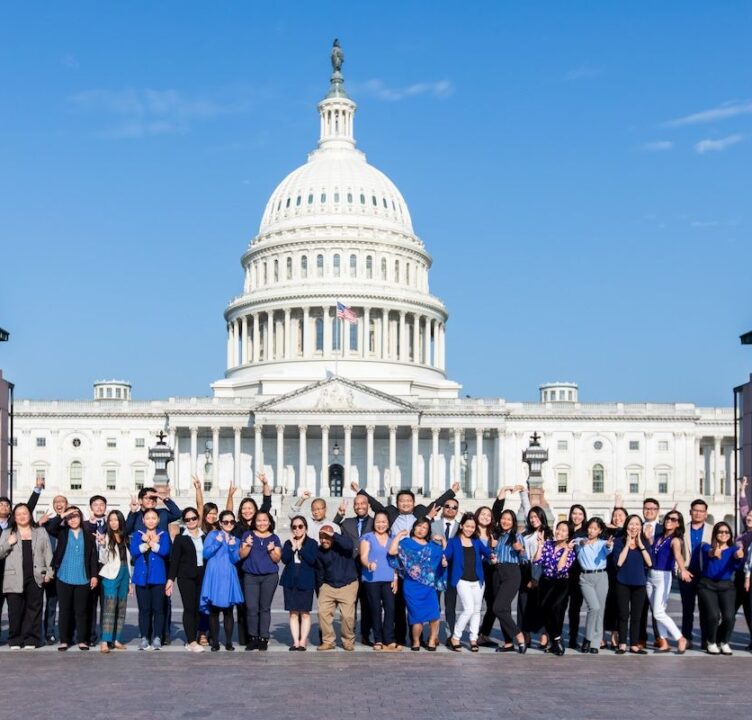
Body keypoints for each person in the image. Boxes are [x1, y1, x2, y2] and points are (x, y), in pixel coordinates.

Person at [355, 479, 459, 645]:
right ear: (397, 503)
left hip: (418, 569)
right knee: (397, 605)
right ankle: (399, 636)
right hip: (398, 566)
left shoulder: (419, 515)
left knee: (416, 606)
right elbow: (376, 506)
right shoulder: (391, 515)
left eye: (408, 501)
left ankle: (415, 639)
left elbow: (436, 504)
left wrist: (451, 492)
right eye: (402, 501)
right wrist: (361, 491)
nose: (405, 503)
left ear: (414, 503)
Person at [388, 518, 447, 651]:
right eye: (419, 526)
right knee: (416, 616)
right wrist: (398, 536)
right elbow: (392, 552)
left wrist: (443, 540)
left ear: (428, 531)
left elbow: (445, 555)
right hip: (411, 586)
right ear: (414, 527)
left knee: (434, 614)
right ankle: (415, 641)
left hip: (428, 586)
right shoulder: (406, 543)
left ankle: (432, 639)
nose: (421, 529)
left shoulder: (432, 546)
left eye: (425, 527)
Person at [0, 503, 53, 649]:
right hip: (13, 576)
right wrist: (8, 544)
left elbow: (48, 553)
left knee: (34, 609)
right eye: (18, 514)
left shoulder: (40, 532)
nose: (22, 516)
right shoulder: (7, 533)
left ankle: (32, 639)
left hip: (36, 575)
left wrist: (49, 572)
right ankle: (15, 639)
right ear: (14, 517)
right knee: (15, 610)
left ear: (30, 515)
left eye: (25, 513)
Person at [46, 506, 99, 651]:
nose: (73, 519)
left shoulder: (88, 534)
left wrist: (94, 575)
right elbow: (50, 527)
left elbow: (93, 556)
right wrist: (62, 515)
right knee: (65, 610)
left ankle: (82, 640)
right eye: (70, 517)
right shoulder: (62, 532)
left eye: (75, 516)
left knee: (81, 611)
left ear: (81, 518)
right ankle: (64, 640)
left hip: (83, 577)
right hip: (64, 576)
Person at [230, 474, 272, 647]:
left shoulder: (258, 525)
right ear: (240, 512)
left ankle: (259, 635)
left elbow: (267, 504)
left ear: (255, 511)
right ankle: (245, 636)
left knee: (258, 605)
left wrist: (265, 484)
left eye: (250, 508)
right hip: (241, 569)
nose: (247, 511)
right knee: (243, 605)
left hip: (257, 569)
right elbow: (227, 516)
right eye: (244, 509)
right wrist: (230, 496)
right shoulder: (238, 527)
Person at [646, 510, 691, 654]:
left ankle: (680, 638)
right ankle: (664, 642)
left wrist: (683, 569)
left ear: (678, 524)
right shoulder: (659, 536)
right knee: (657, 611)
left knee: (659, 612)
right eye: (667, 518)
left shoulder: (676, 540)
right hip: (650, 575)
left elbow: (678, 555)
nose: (668, 521)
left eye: (673, 519)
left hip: (663, 576)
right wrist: (647, 538)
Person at [200, 510, 244, 651]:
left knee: (228, 611)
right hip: (214, 575)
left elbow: (236, 559)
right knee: (213, 611)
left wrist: (232, 546)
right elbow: (206, 554)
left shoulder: (236, 540)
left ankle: (229, 642)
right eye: (225, 522)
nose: (229, 524)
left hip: (228, 575)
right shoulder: (212, 535)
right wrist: (217, 543)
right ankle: (215, 642)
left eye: (232, 522)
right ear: (220, 523)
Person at [335, 493, 374, 645]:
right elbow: (332, 529)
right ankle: (349, 633)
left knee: (368, 602)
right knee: (350, 603)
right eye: (356, 504)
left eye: (362, 503)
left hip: (369, 567)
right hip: (350, 567)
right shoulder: (347, 522)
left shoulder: (375, 522)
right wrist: (339, 515)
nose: (359, 506)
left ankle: (366, 634)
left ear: (368, 505)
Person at [700, 521, 745, 655]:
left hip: (726, 586)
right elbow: (709, 553)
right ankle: (711, 642)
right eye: (720, 532)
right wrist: (715, 552)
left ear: (730, 535)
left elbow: (737, 559)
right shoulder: (706, 546)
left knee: (729, 617)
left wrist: (738, 556)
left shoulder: (733, 549)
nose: (724, 534)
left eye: (726, 532)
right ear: (715, 534)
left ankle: (724, 642)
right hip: (707, 585)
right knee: (714, 616)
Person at [239, 511, 281, 651]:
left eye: (265, 520)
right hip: (251, 576)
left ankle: (264, 637)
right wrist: (248, 545)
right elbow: (241, 555)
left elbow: (277, 559)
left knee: (265, 607)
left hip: (269, 576)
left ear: (269, 522)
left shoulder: (274, 538)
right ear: (254, 522)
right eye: (259, 520)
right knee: (251, 607)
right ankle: (253, 637)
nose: (262, 523)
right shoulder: (247, 535)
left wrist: (271, 551)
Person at [130, 508, 171, 650]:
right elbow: (134, 551)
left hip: (158, 578)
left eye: (154, 518)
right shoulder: (138, 534)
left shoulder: (163, 534)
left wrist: (154, 544)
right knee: (144, 609)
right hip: (142, 578)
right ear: (143, 520)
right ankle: (145, 636)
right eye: (148, 518)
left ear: (158, 520)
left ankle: (158, 636)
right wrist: (146, 543)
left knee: (158, 609)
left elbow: (165, 551)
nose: (151, 520)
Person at [166, 507, 205, 652]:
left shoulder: (205, 536)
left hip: (202, 575)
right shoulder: (180, 538)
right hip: (186, 577)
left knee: (198, 608)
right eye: (187, 519)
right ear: (184, 521)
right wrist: (170, 580)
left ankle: (194, 636)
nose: (191, 521)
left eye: (193, 518)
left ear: (198, 519)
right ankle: (191, 641)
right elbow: (174, 560)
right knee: (189, 608)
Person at [359, 510, 399, 651]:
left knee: (390, 608)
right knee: (375, 609)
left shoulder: (392, 538)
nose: (381, 525)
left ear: (388, 524)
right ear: (373, 523)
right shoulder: (367, 537)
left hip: (388, 578)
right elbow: (363, 556)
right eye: (378, 522)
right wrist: (368, 564)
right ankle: (378, 639)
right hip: (372, 579)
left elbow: (394, 560)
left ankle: (389, 638)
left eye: (384, 522)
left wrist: (395, 577)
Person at [534, 520, 576, 656]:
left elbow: (560, 568)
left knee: (555, 610)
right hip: (545, 582)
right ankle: (555, 642)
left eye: (564, 530)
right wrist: (540, 546)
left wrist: (566, 551)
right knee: (544, 611)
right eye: (558, 529)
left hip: (560, 584)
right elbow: (536, 561)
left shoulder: (570, 551)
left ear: (568, 535)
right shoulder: (547, 545)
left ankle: (557, 640)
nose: (559, 532)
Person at [612, 514, 652, 655]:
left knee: (637, 615)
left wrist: (640, 544)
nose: (634, 527)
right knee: (623, 615)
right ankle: (622, 643)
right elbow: (619, 562)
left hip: (639, 583)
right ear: (626, 526)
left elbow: (650, 562)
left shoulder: (645, 542)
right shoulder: (619, 541)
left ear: (641, 527)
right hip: (622, 582)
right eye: (631, 524)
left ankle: (634, 644)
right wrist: (628, 544)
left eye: (637, 524)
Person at [489, 509, 527, 653]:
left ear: (513, 523)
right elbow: (490, 558)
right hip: (497, 572)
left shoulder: (517, 536)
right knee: (504, 609)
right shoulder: (495, 536)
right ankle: (508, 642)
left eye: (509, 519)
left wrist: (521, 550)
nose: (506, 522)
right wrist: (492, 550)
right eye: (504, 518)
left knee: (498, 607)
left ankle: (519, 635)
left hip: (512, 572)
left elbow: (524, 559)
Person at [315, 524, 358, 651]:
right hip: (328, 585)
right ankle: (328, 641)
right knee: (322, 613)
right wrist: (320, 588)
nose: (324, 540)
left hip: (348, 584)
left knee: (347, 617)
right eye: (321, 537)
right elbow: (320, 571)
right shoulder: (320, 551)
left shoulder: (343, 546)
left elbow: (349, 544)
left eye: (327, 537)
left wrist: (333, 534)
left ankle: (348, 640)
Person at [575, 517, 614, 654]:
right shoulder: (580, 541)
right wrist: (582, 542)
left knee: (600, 610)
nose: (591, 531)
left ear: (600, 531)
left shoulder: (603, 543)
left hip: (601, 576)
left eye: (595, 529)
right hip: (585, 578)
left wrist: (609, 545)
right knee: (594, 607)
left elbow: (608, 548)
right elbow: (578, 544)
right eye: (590, 528)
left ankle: (595, 643)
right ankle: (587, 638)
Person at [280, 515, 319, 650]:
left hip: (306, 581)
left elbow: (312, 560)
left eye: (300, 526)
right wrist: (292, 548)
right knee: (293, 612)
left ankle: (303, 641)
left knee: (305, 612)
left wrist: (300, 548)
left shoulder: (312, 543)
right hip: (290, 581)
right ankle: (295, 641)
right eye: (294, 527)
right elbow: (284, 559)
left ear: (305, 528)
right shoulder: (288, 543)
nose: (297, 529)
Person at [679, 499, 713, 649]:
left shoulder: (712, 530)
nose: (698, 513)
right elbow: (677, 553)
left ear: (706, 514)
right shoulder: (682, 530)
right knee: (687, 609)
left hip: (705, 574)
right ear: (690, 512)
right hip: (687, 573)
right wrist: (680, 570)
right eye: (695, 510)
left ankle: (706, 639)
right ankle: (687, 638)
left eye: (701, 511)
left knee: (706, 608)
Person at [518, 506, 551, 650]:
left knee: (540, 603)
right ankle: (525, 634)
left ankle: (544, 634)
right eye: (531, 517)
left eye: (536, 517)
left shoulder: (548, 534)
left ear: (541, 517)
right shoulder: (525, 534)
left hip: (541, 570)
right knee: (524, 603)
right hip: (526, 567)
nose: (533, 519)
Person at [97, 509, 130, 653]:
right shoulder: (105, 537)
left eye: (116, 520)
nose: (113, 523)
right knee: (109, 608)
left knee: (121, 608)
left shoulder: (126, 537)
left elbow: (129, 560)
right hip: (111, 575)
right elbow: (102, 559)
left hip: (124, 573)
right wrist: (103, 545)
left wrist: (130, 581)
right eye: (110, 520)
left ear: (120, 521)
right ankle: (105, 641)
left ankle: (116, 639)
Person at [431, 495, 459, 642]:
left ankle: (450, 635)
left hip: (452, 570)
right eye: (447, 506)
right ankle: (434, 635)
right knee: (434, 604)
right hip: (436, 570)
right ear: (443, 508)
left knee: (450, 605)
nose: (450, 509)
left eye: (454, 507)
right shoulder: (433, 525)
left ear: (457, 511)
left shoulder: (461, 527)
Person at [639, 497, 664, 649]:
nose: (649, 511)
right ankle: (641, 637)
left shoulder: (663, 529)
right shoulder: (636, 526)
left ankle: (659, 636)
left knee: (657, 607)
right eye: (646, 508)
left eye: (652, 509)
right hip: (640, 572)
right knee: (641, 607)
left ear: (657, 511)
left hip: (658, 572)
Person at [475, 505, 500, 647]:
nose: (485, 517)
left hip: (491, 571)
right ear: (477, 515)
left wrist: (494, 546)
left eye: (488, 515)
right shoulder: (471, 531)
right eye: (483, 514)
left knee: (493, 605)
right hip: (475, 571)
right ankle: (474, 635)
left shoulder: (494, 533)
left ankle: (484, 634)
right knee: (475, 605)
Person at [85, 494, 108, 647]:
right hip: (91, 567)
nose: (99, 507)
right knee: (90, 604)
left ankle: (106, 637)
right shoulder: (85, 524)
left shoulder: (112, 523)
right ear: (91, 507)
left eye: (102, 504)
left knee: (107, 604)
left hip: (107, 567)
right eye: (96, 504)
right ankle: (91, 636)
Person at [603, 506, 627, 649]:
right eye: (615, 515)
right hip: (608, 571)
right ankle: (603, 635)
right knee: (607, 604)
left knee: (619, 605)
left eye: (621, 515)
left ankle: (615, 635)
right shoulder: (608, 532)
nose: (617, 518)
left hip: (623, 572)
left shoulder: (628, 532)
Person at [566, 503, 588, 649]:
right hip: (564, 573)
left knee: (575, 607)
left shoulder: (587, 532)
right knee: (560, 606)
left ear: (584, 516)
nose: (577, 516)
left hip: (579, 573)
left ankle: (573, 637)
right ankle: (555, 636)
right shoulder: (565, 529)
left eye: (580, 514)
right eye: (574, 513)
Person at [735, 477, 752, 648]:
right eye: (748, 516)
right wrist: (742, 490)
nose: (749, 517)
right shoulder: (742, 533)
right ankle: (721, 637)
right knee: (731, 609)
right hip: (739, 575)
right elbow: (743, 507)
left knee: (750, 609)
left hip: (750, 575)